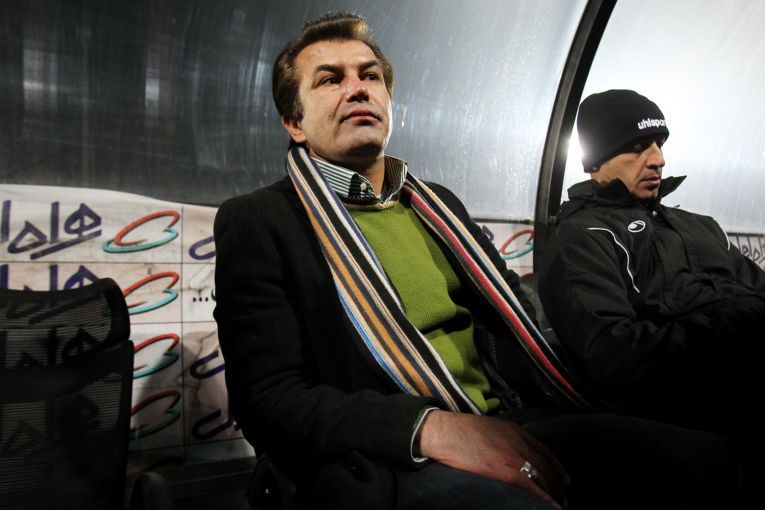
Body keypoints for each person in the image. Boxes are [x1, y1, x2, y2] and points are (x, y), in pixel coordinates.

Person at [214, 17, 740, 510]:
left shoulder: (437, 206)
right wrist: (431, 428)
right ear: (294, 122)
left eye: (370, 75)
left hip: (509, 417)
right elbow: (269, 400)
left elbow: (517, 323)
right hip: (389, 454)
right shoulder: (261, 220)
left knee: (705, 460)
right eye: (330, 80)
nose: (358, 88)